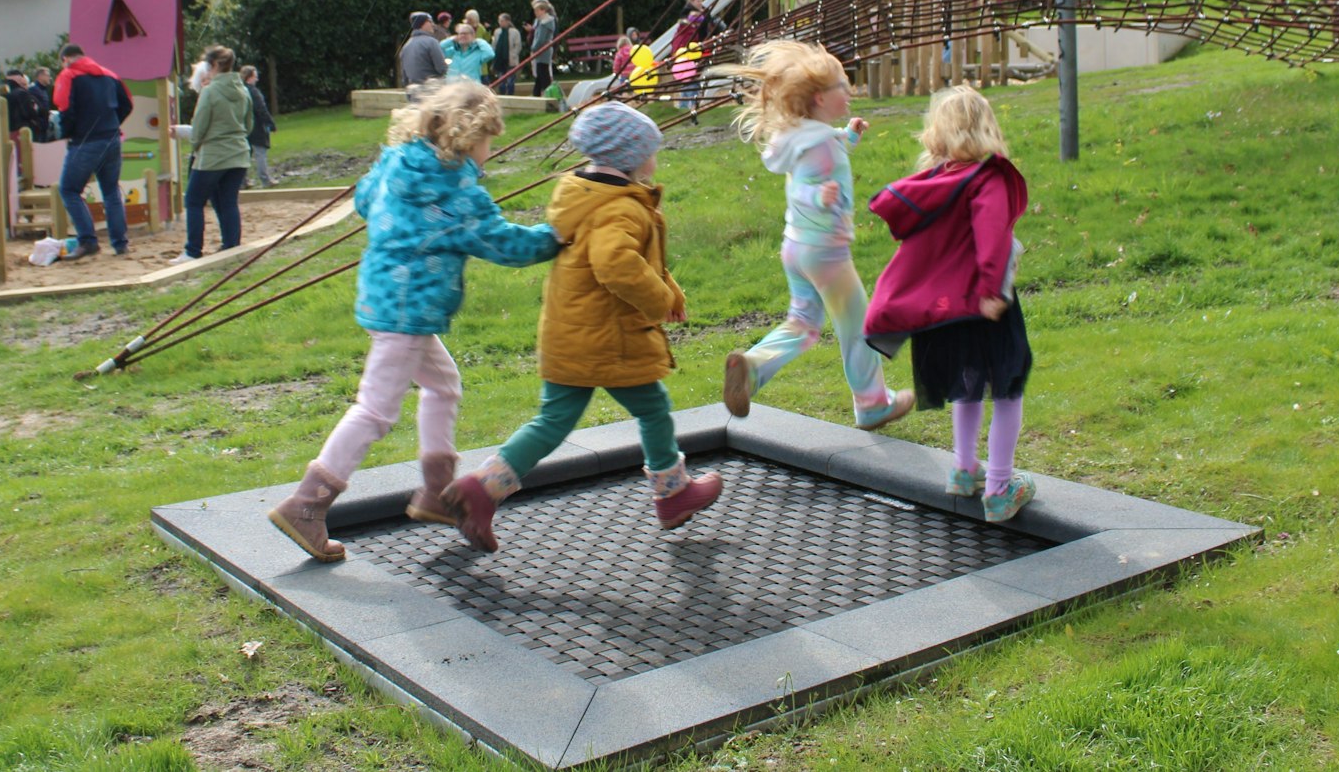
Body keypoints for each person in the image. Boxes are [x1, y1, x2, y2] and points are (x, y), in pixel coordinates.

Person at [266, 79, 563, 561]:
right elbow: (504, 244)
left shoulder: (396, 162)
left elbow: (364, 202)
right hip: (408, 313)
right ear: (469, 138)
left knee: (444, 385)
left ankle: (436, 492)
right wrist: (558, 236)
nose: (490, 151)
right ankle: (307, 504)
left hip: (383, 298)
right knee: (375, 411)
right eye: (489, 141)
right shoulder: (454, 191)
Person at [442, 102, 719, 551]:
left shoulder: (582, 196)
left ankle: (482, 488)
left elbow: (631, 261)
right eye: (651, 152)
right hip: (609, 341)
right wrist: (661, 299)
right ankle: (673, 493)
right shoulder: (621, 208)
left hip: (569, 334)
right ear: (630, 157)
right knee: (652, 408)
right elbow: (616, 264)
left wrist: (671, 291)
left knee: (553, 420)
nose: (655, 160)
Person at [717, 41, 915, 430]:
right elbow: (803, 186)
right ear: (822, 97)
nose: (850, 90)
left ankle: (753, 367)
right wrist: (818, 196)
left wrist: (849, 137)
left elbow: (820, 151)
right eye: (843, 85)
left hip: (796, 249)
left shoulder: (804, 135)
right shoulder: (821, 142)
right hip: (826, 252)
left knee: (804, 323)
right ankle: (873, 404)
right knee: (858, 327)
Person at [864, 87, 1035, 521]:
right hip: (983, 305)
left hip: (944, 313)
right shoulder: (987, 178)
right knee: (1009, 390)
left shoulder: (936, 182)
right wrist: (993, 291)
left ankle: (963, 470)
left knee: (967, 384)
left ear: (936, 134)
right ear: (987, 128)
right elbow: (991, 235)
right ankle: (998, 489)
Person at [52, 42, 134, 260]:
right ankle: (120, 244)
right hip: (112, 139)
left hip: (85, 142)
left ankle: (88, 241)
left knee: (69, 190)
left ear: (66, 59)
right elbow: (127, 104)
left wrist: (68, 132)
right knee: (111, 191)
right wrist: (112, 124)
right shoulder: (110, 75)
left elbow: (65, 109)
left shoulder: (69, 75)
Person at [172, 45, 252, 265]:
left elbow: (199, 127)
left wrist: (195, 145)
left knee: (194, 200)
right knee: (227, 201)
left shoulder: (210, 91)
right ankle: (231, 246)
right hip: (239, 153)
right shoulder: (243, 89)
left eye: (208, 65)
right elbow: (249, 124)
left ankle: (192, 251)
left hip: (214, 155)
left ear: (215, 65)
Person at [241, 64, 276, 188]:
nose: (257, 79)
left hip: (243, 127)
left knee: (245, 155)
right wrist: (271, 124)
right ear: (249, 77)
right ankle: (265, 180)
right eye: (255, 76)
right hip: (257, 126)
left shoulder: (239, 90)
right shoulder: (253, 92)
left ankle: (243, 181)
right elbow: (261, 109)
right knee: (260, 153)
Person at [399, 11, 448, 90]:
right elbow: (442, 69)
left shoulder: (406, 46)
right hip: (432, 93)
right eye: (430, 21)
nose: (433, 24)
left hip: (413, 94)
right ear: (422, 23)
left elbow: (404, 79)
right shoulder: (432, 42)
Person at [3, 68, 50, 142]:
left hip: (4, 134)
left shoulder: (0, 93)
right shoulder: (22, 94)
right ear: (20, 80)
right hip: (23, 133)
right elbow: (32, 112)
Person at [528, 0, 558, 97]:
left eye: (537, 10)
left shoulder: (545, 22)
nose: (535, 13)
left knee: (543, 73)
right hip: (541, 51)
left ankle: (548, 94)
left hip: (543, 51)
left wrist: (534, 48)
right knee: (540, 74)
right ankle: (536, 93)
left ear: (543, 10)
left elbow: (540, 39)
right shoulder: (541, 21)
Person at [672, 39, 704, 124]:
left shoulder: (676, 64)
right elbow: (693, 71)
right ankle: (693, 116)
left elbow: (675, 74)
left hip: (683, 84)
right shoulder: (688, 61)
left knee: (684, 99)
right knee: (693, 100)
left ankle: (682, 116)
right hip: (691, 83)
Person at [490, 13, 523, 96]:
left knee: (510, 80)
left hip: (511, 59)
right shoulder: (497, 32)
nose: (500, 23)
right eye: (499, 21)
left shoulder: (515, 32)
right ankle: (502, 94)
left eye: (502, 21)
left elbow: (518, 45)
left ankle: (510, 95)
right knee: (501, 79)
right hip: (500, 59)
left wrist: (514, 54)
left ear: (507, 21)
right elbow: (494, 44)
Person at [628, 29, 659, 97]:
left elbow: (645, 57)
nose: (634, 36)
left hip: (641, 67)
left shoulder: (641, 44)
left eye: (635, 34)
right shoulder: (629, 47)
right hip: (632, 68)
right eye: (633, 35)